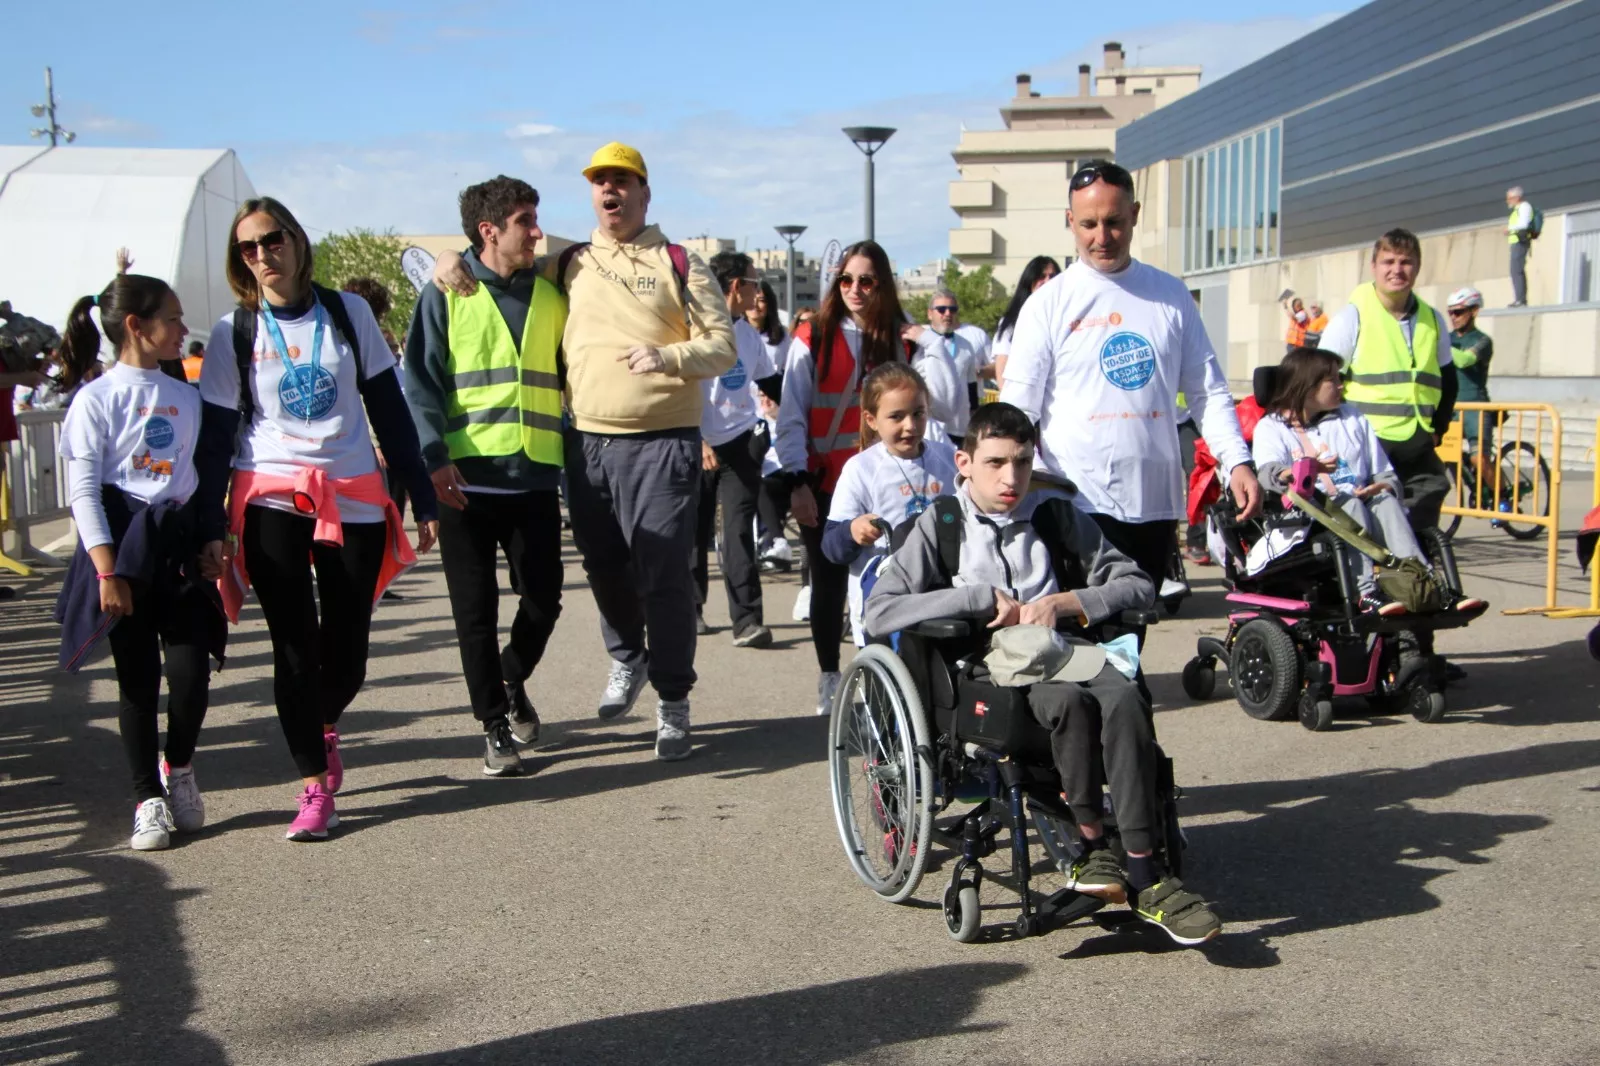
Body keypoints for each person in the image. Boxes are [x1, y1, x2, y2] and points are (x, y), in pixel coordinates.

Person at [863, 402, 1222, 946]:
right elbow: (879, 611)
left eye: (1024, 463)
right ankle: (1092, 843)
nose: (1012, 479)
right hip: (988, 667)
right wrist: (976, 599)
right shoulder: (940, 525)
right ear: (963, 461)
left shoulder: (1055, 516)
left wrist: (1068, 601)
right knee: (1070, 705)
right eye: (996, 463)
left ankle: (1147, 875)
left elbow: (1138, 585)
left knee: (1124, 696)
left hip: (1062, 644)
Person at [432, 144, 735, 761]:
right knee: (604, 570)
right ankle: (629, 659)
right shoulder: (568, 259)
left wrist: (670, 357)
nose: (609, 191)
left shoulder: (681, 262)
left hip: (661, 441)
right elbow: (492, 256)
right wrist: (446, 260)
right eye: (600, 182)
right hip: (584, 443)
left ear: (645, 193)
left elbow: (723, 348)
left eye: (622, 181)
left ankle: (673, 699)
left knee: (664, 578)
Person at [194, 197, 438, 841]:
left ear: (297, 242)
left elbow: (390, 409)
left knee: (349, 650)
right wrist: (207, 524)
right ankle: (311, 785)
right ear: (239, 262)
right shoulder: (233, 332)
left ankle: (323, 721)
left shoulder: (346, 312)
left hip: (352, 491)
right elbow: (217, 438)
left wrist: (421, 492)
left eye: (271, 240)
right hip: (271, 491)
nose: (262, 255)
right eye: (247, 248)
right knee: (294, 645)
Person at [1000, 161, 1261, 634]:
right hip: (1076, 504)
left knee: (1129, 638)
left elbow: (1207, 392)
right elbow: (1018, 412)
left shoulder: (1171, 296)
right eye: (1089, 224)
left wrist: (1236, 461)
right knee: (1082, 645)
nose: (1103, 236)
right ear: (1069, 221)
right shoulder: (1048, 304)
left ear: (1135, 214)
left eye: (1115, 221)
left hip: (1153, 504)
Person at [54, 273, 225, 851]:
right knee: (137, 682)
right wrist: (107, 570)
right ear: (136, 325)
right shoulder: (95, 400)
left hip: (177, 551)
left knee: (190, 673)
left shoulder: (185, 397)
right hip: (123, 552)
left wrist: (210, 540)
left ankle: (178, 770)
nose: (182, 330)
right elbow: (82, 492)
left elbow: (196, 481)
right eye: (172, 319)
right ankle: (146, 798)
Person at [405, 176, 566, 777]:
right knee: (474, 612)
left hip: (533, 480)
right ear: (489, 230)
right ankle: (494, 726)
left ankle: (511, 673)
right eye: (526, 220)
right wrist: (432, 458)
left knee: (545, 602)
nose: (537, 231)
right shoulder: (444, 295)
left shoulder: (550, 292)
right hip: (463, 485)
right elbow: (417, 383)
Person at [776, 240, 914, 714]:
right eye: (847, 279)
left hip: (887, 483)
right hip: (825, 483)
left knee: (887, 580)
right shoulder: (812, 335)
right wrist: (796, 482)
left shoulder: (900, 339)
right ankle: (830, 676)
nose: (856, 289)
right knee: (829, 584)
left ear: (883, 285)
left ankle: (878, 673)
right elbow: (791, 413)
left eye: (867, 281)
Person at [1252, 348, 1485, 617]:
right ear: (1307, 385)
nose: (1342, 385)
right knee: (1348, 503)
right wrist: (1303, 470)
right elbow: (1268, 474)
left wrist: (1383, 486)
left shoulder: (1352, 418)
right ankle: (1365, 593)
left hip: (1361, 506)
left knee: (1384, 501)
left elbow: (1384, 473)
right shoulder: (1272, 427)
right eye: (1333, 380)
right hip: (1310, 516)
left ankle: (1425, 585)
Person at [821, 362, 957, 651]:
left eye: (918, 414)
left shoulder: (949, 459)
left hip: (942, 593)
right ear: (872, 420)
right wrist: (852, 531)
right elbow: (831, 544)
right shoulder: (861, 469)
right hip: (884, 598)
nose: (910, 425)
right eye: (896, 417)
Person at [693, 250, 779, 648]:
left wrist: (784, 413)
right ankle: (691, 608)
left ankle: (747, 621)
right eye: (753, 282)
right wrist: (698, 439)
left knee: (737, 533)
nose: (758, 290)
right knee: (692, 534)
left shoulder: (746, 332)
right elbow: (678, 389)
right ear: (734, 287)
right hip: (696, 444)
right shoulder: (693, 326)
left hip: (741, 445)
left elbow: (769, 380)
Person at [747, 281, 794, 572]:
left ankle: (774, 541)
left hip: (773, 418)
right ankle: (771, 538)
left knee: (773, 473)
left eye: (762, 300)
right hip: (744, 418)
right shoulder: (735, 334)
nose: (756, 305)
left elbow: (787, 381)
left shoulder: (781, 339)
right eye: (753, 299)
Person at [904, 285, 979, 440]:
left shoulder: (966, 345)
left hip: (959, 427)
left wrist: (974, 418)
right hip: (927, 427)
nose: (947, 314)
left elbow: (971, 385)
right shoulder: (916, 341)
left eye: (952, 309)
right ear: (930, 313)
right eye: (942, 309)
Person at [989, 256, 1060, 388]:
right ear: (1029, 281)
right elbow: (1002, 370)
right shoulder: (1011, 322)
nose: (1048, 281)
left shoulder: (1067, 318)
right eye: (1041, 276)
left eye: (1052, 276)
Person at [1446, 287, 1494, 452]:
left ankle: (1496, 479)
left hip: (1476, 407)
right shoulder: (1447, 338)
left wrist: (1439, 343)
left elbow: (1465, 360)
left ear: (1474, 311)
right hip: (1450, 407)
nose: (1453, 317)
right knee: (1442, 457)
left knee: (1478, 458)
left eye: (1458, 312)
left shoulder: (1483, 340)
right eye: (1450, 313)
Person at [1506, 186, 1535, 307]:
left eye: (1510, 198)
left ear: (1517, 198)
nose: (1508, 201)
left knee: (1517, 270)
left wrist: (1509, 229)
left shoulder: (1524, 207)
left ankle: (1521, 300)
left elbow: (1523, 224)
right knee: (1515, 270)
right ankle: (1519, 298)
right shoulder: (1518, 209)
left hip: (1520, 241)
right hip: (1516, 241)